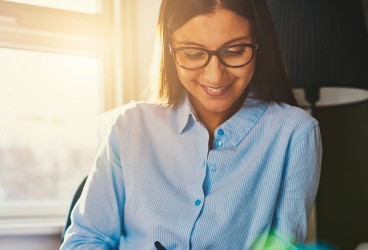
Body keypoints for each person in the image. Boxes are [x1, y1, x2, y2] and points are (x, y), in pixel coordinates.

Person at [60, 0, 322, 249]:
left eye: (234, 51)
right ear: (169, 49)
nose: (215, 76)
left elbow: (285, 246)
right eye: (194, 53)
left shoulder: (295, 133)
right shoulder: (129, 127)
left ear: (259, 46)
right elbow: (84, 240)